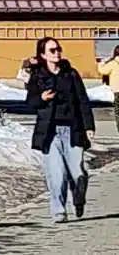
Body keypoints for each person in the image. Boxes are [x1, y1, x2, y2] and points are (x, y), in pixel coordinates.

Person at [26, 36, 96, 222]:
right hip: (50, 132)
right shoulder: (38, 76)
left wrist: (88, 126)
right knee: (57, 173)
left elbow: (82, 100)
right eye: (52, 50)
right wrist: (41, 97)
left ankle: (78, 198)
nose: (56, 53)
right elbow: (30, 101)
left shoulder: (70, 74)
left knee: (76, 171)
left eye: (58, 49)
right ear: (43, 54)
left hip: (73, 129)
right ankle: (59, 210)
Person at [97, 45, 119, 132]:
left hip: (117, 91)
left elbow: (102, 70)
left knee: (118, 112)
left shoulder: (113, 63)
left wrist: (102, 62)